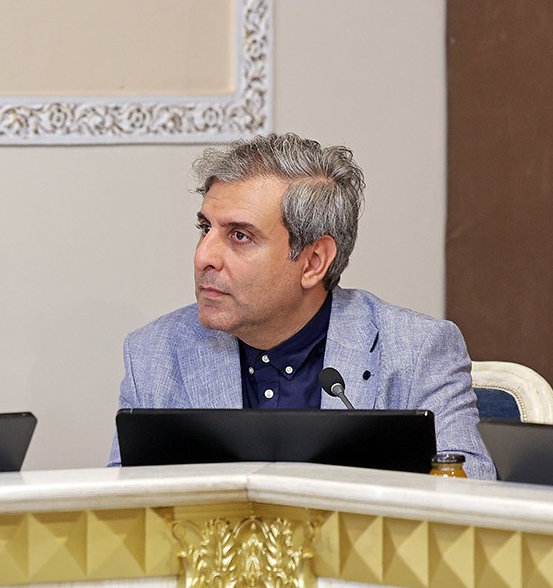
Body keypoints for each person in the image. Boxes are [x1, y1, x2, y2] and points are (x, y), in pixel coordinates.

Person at [107, 133, 495, 479]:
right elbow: (123, 512)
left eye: (240, 236)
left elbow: (469, 501)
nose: (203, 257)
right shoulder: (154, 353)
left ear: (313, 262)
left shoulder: (416, 351)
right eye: (205, 229)